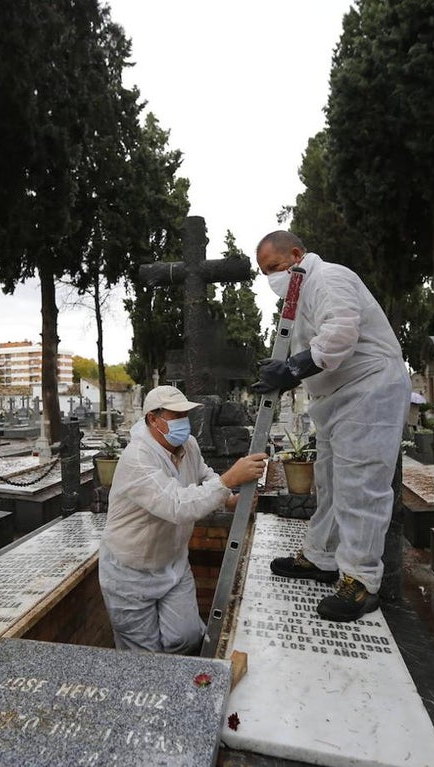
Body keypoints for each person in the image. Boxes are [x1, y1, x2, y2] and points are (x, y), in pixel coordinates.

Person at [251, 230, 411, 622]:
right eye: (263, 272)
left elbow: (340, 333)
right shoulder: (300, 296)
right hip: (336, 398)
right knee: (331, 483)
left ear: (297, 254)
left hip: (368, 389)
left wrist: (291, 369)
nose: (271, 277)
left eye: (274, 267)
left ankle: (360, 581)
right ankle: (321, 557)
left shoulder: (330, 278)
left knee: (361, 486)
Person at [98, 385, 268, 653]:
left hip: (174, 563)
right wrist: (229, 480)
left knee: (187, 636)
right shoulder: (138, 459)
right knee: (143, 654)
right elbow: (176, 505)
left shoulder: (187, 444)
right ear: (153, 419)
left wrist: (228, 497)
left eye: (185, 415)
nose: (183, 422)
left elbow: (205, 475)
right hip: (130, 572)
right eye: (175, 416)